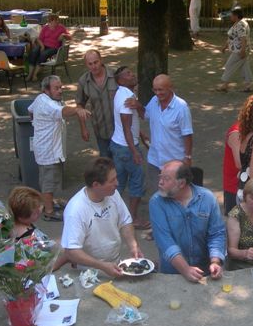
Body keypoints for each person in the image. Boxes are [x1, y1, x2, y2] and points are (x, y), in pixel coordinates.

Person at [61, 157, 142, 278]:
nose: (117, 183)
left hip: (114, 265)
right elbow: (71, 251)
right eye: (112, 180)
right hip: (88, 273)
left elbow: (125, 221)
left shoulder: (112, 194)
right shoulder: (76, 210)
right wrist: (102, 265)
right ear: (96, 185)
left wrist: (133, 245)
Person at [148, 160, 225, 282]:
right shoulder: (156, 202)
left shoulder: (207, 198)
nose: (160, 182)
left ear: (182, 183)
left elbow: (216, 233)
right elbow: (165, 241)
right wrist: (185, 269)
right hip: (171, 274)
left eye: (166, 179)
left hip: (205, 271)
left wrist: (215, 261)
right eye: (160, 177)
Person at [27, 75, 90, 221]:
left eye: (61, 87)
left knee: (52, 179)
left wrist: (36, 123)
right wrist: (78, 110)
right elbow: (63, 112)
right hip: (47, 150)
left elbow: (30, 110)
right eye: (56, 88)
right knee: (48, 182)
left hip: (52, 149)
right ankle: (49, 212)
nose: (60, 90)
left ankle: (50, 203)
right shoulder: (46, 103)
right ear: (46, 90)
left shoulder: (46, 100)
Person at [110, 66, 149, 230]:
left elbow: (131, 121)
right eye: (128, 74)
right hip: (127, 148)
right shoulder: (127, 98)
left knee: (117, 183)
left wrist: (140, 133)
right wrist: (135, 152)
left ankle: (111, 217)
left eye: (132, 72)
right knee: (136, 183)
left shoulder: (122, 93)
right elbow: (127, 127)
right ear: (120, 80)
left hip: (117, 145)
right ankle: (132, 218)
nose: (132, 75)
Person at [144, 74, 194, 196]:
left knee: (175, 196)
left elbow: (187, 134)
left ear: (171, 88)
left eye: (160, 89)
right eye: (155, 89)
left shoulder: (181, 107)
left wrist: (187, 157)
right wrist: (136, 105)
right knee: (157, 196)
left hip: (174, 161)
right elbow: (146, 115)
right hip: (155, 160)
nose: (157, 93)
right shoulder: (153, 101)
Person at [7, 186, 69, 271]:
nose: (40, 211)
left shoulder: (12, 225)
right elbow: (45, 266)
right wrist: (66, 258)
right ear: (22, 217)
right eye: (36, 212)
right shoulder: (29, 237)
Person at [76, 49, 118, 158]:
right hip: (100, 129)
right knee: (106, 163)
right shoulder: (83, 81)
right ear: (86, 65)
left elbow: (130, 91)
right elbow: (80, 105)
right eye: (90, 64)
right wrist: (83, 128)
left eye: (96, 62)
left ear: (101, 60)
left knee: (121, 162)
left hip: (119, 129)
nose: (94, 66)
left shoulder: (115, 75)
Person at [27, 14, 72, 82]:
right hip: (44, 45)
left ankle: (34, 75)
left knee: (43, 55)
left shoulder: (61, 27)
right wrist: (42, 46)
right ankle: (30, 75)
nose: (57, 22)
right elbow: (39, 39)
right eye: (55, 20)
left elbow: (70, 37)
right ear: (50, 21)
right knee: (34, 52)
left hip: (54, 47)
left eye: (57, 20)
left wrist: (63, 34)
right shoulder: (45, 28)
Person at [218, 6, 252, 93]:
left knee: (229, 65)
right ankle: (248, 85)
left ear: (236, 16)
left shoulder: (240, 25)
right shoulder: (241, 23)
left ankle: (225, 85)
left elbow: (243, 38)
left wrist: (242, 51)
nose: (230, 17)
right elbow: (232, 37)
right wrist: (225, 46)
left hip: (239, 50)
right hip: (242, 49)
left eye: (231, 15)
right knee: (245, 67)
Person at [223, 119, 241, 215]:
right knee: (235, 225)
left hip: (252, 188)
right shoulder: (236, 132)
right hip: (235, 189)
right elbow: (239, 164)